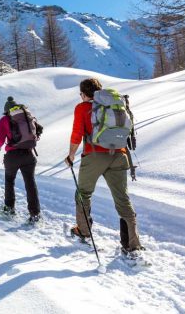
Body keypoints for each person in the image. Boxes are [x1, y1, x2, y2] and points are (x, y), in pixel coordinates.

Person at [66, 78, 144, 254]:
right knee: (122, 198)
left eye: (81, 94)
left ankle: (83, 231)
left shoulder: (82, 108)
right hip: (120, 154)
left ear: (84, 94)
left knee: (83, 193)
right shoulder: (114, 105)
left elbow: (77, 133)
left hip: (94, 155)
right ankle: (132, 245)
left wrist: (71, 155)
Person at [0, 96, 42, 223]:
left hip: (12, 156)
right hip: (28, 154)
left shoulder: (4, 119)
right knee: (30, 183)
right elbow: (37, 130)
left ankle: (9, 209)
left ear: (6, 110)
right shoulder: (26, 116)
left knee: (9, 181)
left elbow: (0, 141)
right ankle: (35, 214)